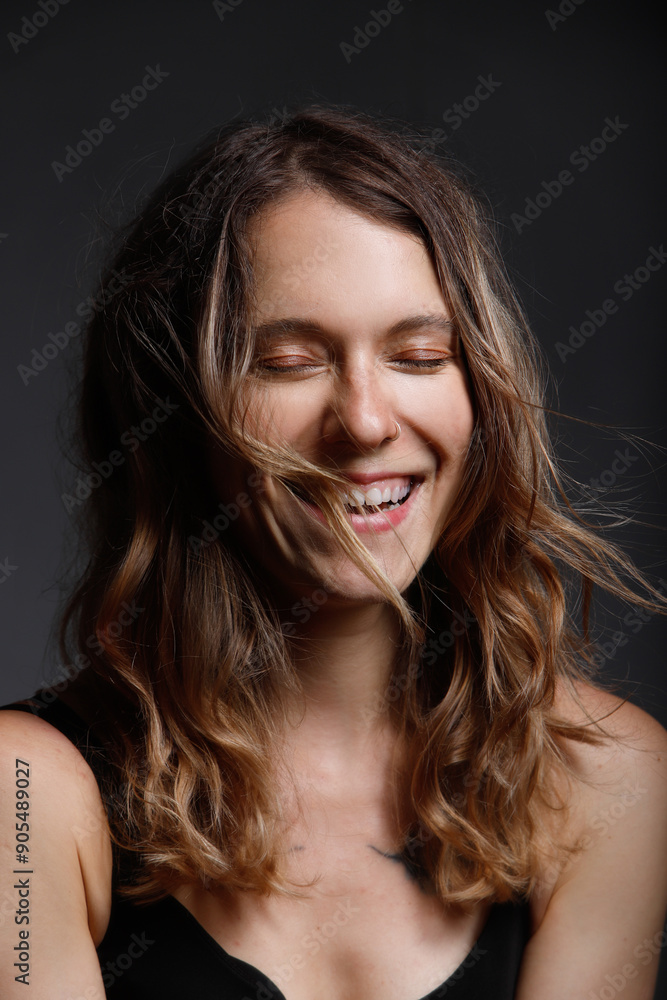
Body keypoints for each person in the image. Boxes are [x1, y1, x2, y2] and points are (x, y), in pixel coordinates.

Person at [1, 103, 666, 1000]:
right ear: (173, 415)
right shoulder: (24, 797)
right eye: (286, 361)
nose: (363, 420)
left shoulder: (614, 783)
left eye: (420, 355)